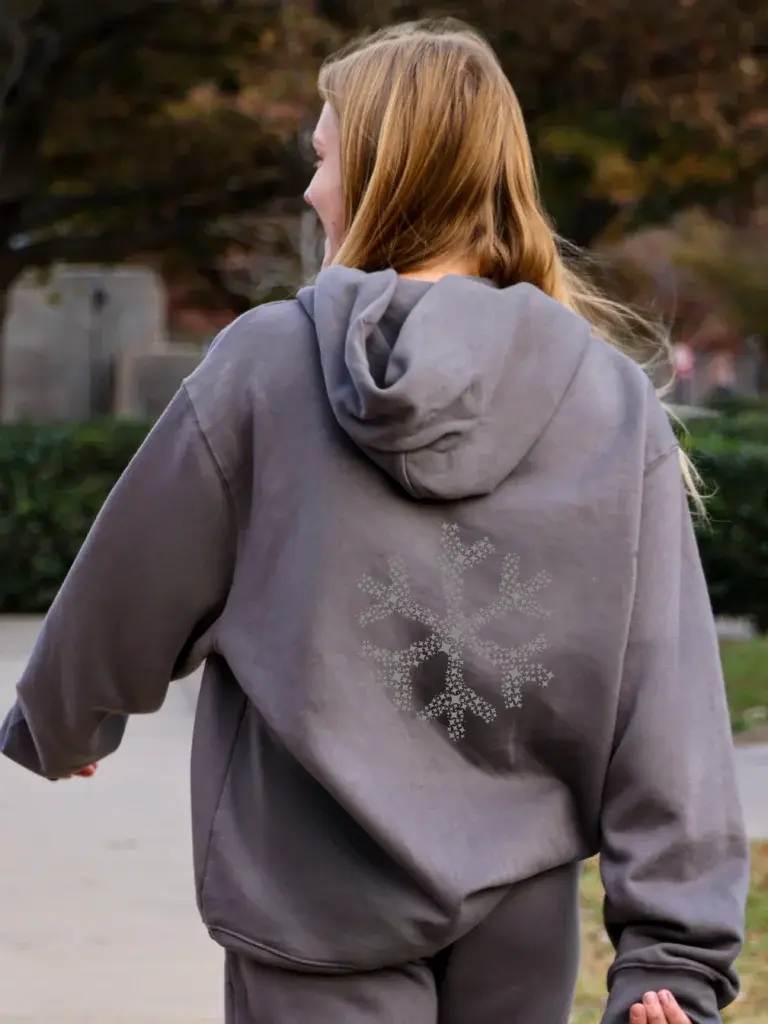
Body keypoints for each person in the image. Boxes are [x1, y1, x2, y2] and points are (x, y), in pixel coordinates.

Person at [0, 20, 748, 1024]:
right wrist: (675, 952)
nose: (312, 191)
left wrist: (63, 718)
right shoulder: (608, 399)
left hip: (309, 902)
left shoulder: (266, 365)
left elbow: (136, 577)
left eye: (324, 158)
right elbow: (666, 689)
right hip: (518, 918)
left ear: (387, 175)